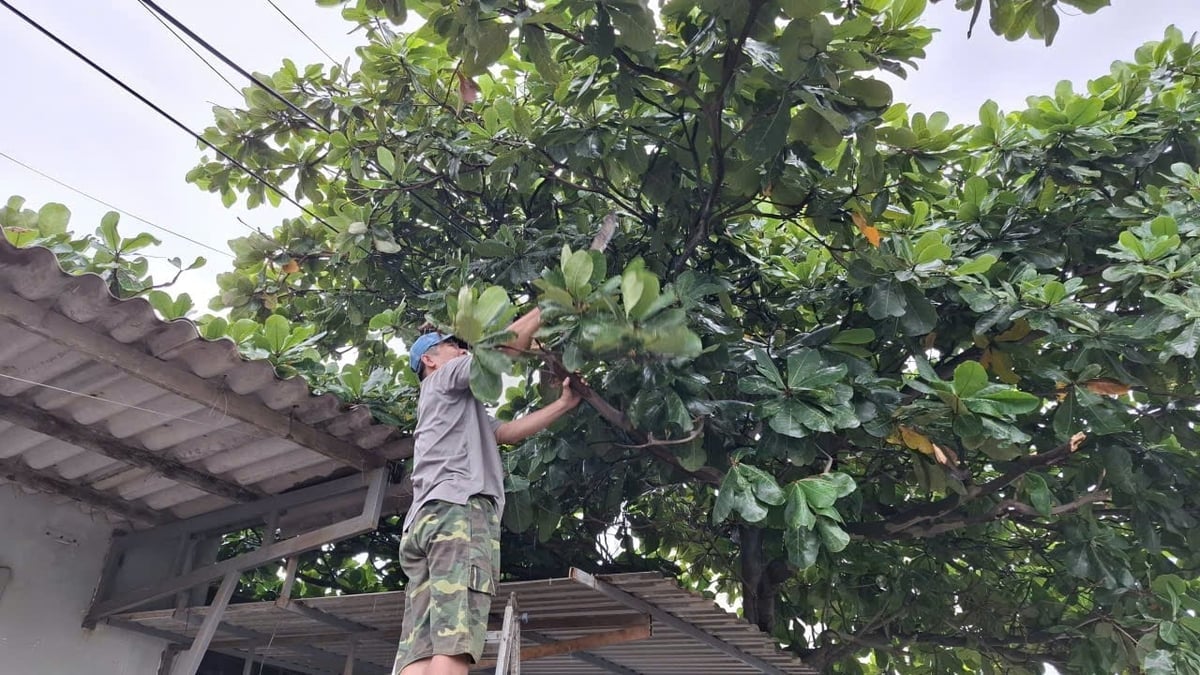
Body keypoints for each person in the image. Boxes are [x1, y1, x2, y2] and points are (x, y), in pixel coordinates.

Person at [393, 307, 581, 675]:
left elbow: (505, 433)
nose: (463, 351)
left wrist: (562, 404)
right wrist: (548, 307)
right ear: (430, 360)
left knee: (421, 645)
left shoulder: (454, 405)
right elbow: (494, 354)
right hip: (456, 514)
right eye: (453, 347)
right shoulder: (445, 378)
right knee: (454, 638)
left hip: (424, 523)